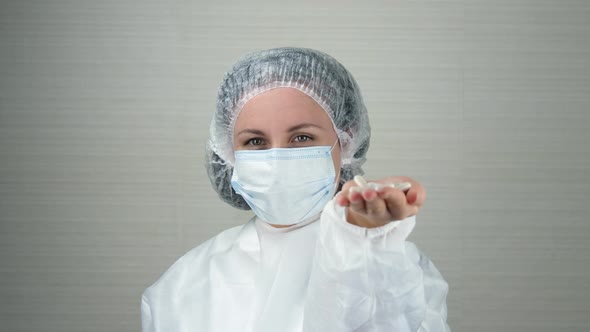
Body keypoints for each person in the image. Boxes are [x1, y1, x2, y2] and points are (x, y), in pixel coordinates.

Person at [141, 47, 451, 332]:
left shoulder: (396, 265)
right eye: (255, 142)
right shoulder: (183, 285)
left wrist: (362, 247)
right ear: (228, 155)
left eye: (301, 138)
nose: (276, 158)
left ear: (345, 142)